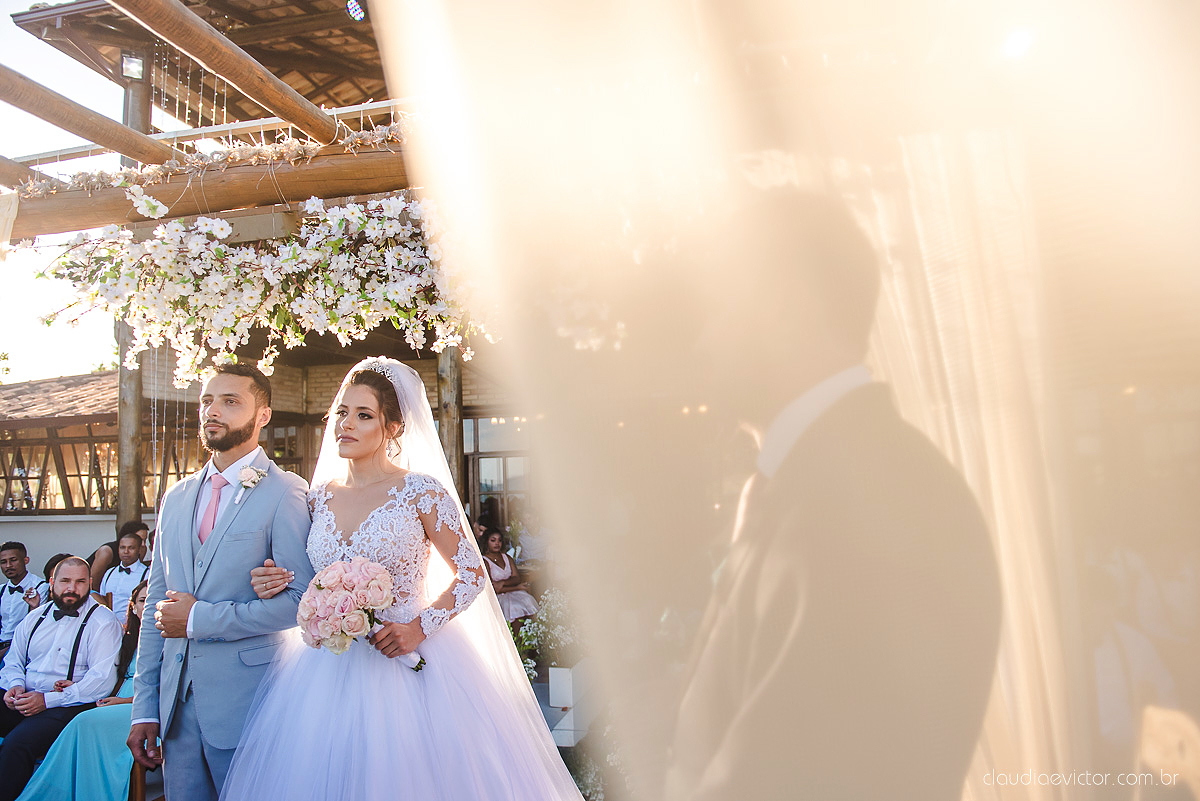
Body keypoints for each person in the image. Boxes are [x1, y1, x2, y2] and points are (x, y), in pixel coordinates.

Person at [662, 192, 1002, 801]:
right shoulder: (809, 485)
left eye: (716, 306)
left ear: (791, 308)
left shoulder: (876, 513)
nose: (698, 338)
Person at [222, 357, 582, 800]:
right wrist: (275, 579)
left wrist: (419, 627)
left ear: (392, 428)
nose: (345, 425)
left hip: (410, 661)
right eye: (341, 413)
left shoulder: (421, 491)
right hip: (325, 669)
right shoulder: (316, 498)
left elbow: (472, 574)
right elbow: (305, 574)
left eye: (363, 415)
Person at [127, 362, 315, 801]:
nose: (214, 410)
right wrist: (144, 708)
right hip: (174, 711)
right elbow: (159, 601)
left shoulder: (285, 492)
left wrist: (199, 620)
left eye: (231, 401)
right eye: (208, 400)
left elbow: (300, 602)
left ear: (262, 415)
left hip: (247, 704)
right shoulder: (175, 498)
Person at [0, 556, 122, 801]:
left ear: (89, 583)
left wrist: (47, 700)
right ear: (52, 582)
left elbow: (101, 681)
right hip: (24, 697)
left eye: (79, 582)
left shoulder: (103, 622)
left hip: (68, 705)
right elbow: (13, 660)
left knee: (16, 746)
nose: (71, 588)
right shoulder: (34, 617)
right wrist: (14, 686)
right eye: (65, 581)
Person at [16, 581, 150, 801]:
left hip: (143, 707)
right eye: (143, 600)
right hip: (112, 702)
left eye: (154, 600)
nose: (148, 605)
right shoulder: (127, 640)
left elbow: (168, 690)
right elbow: (106, 676)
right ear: (133, 606)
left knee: (83, 721)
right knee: (79, 718)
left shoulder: (170, 640)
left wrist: (123, 701)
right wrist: (75, 686)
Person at [0, 542, 49, 660]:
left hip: (22, 647)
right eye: (3, 562)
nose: (8, 565)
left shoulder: (40, 587)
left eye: (13, 560)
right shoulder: (1, 590)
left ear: (26, 560)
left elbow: (37, 626)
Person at [481, 527, 539, 626]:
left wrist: (502, 583)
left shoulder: (506, 557)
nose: (497, 543)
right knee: (514, 607)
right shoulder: (484, 561)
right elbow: (493, 589)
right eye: (493, 540)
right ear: (486, 542)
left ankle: (532, 637)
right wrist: (517, 587)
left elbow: (517, 578)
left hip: (513, 592)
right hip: (499, 597)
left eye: (499, 540)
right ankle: (516, 639)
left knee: (528, 600)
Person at [98, 531, 150, 625]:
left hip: (133, 628)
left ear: (139, 550)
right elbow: (102, 600)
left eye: (131, 548)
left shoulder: (147, 574)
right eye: (122, 547)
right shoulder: (109, 573)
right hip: (108, 626)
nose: (126, 551)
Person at [89, 521, 148, 593]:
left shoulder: (142, 549)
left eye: (145, 540)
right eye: (140, 539)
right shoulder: (106, 552)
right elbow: (93, 583)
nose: (143, 544)